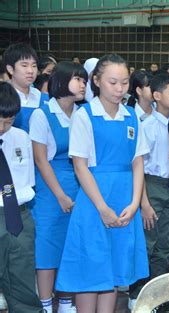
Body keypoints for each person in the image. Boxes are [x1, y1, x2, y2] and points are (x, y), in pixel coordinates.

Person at [55, 54, 149, 313]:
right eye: (112, 82)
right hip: (95, 202)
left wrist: (134, 203)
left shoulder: (131, 116)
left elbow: (137, 162)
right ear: (96, 81)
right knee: (91, 271)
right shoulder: (85, 115)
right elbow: (80, 165)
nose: (120, 89)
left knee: (115, 271)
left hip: (124, 200)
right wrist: (102, 208)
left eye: (125, 83)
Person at [29, 61, 87, 313]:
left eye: (84, 80)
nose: (83, 84)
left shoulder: (82, 114)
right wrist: (60, 195)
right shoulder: (42, 114)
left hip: (79, 185)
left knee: (70, 247)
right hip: (50, 190)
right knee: (47, 247)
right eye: (78, 79)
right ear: (61, 82)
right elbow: (41, 160)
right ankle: (44, 304)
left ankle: (65, 302)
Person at [128, 74, 169, 310]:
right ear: (157, 96)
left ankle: (157, 294)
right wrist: (144, 203)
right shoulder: (147, 126)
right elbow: (138, 167)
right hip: (151, 187)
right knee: (147, 243)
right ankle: (138, 294)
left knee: (165, 245)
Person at [0, 81, 43, 313]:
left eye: (8, 121)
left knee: (23, 283)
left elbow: (28, 180)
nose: (2, 127)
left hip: (20, 216)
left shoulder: (20, 138)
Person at [3, 43, 41, 133]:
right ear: (10, 69)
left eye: (34, 66)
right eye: (24, 65)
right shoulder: (2, 96)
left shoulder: (43, 98)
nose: (31, 71)